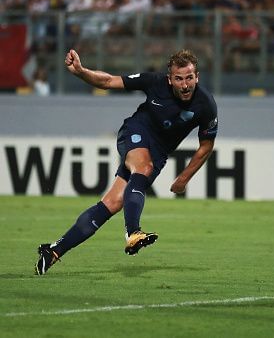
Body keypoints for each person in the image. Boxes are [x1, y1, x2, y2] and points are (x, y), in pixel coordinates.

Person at [35, 48, 218, 275]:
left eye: (189, 78)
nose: (185, 85)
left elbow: (206, 145)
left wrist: (184, 178)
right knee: (143, 167)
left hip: (158, 153)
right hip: (136, 131)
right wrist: (81, 72)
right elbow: (109, 81)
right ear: (170, 79)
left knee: (112, 203)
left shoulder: (206, 104)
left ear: (197, 77)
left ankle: (54, 250)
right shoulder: (154, 82)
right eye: (179, 79)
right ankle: (133, 232)